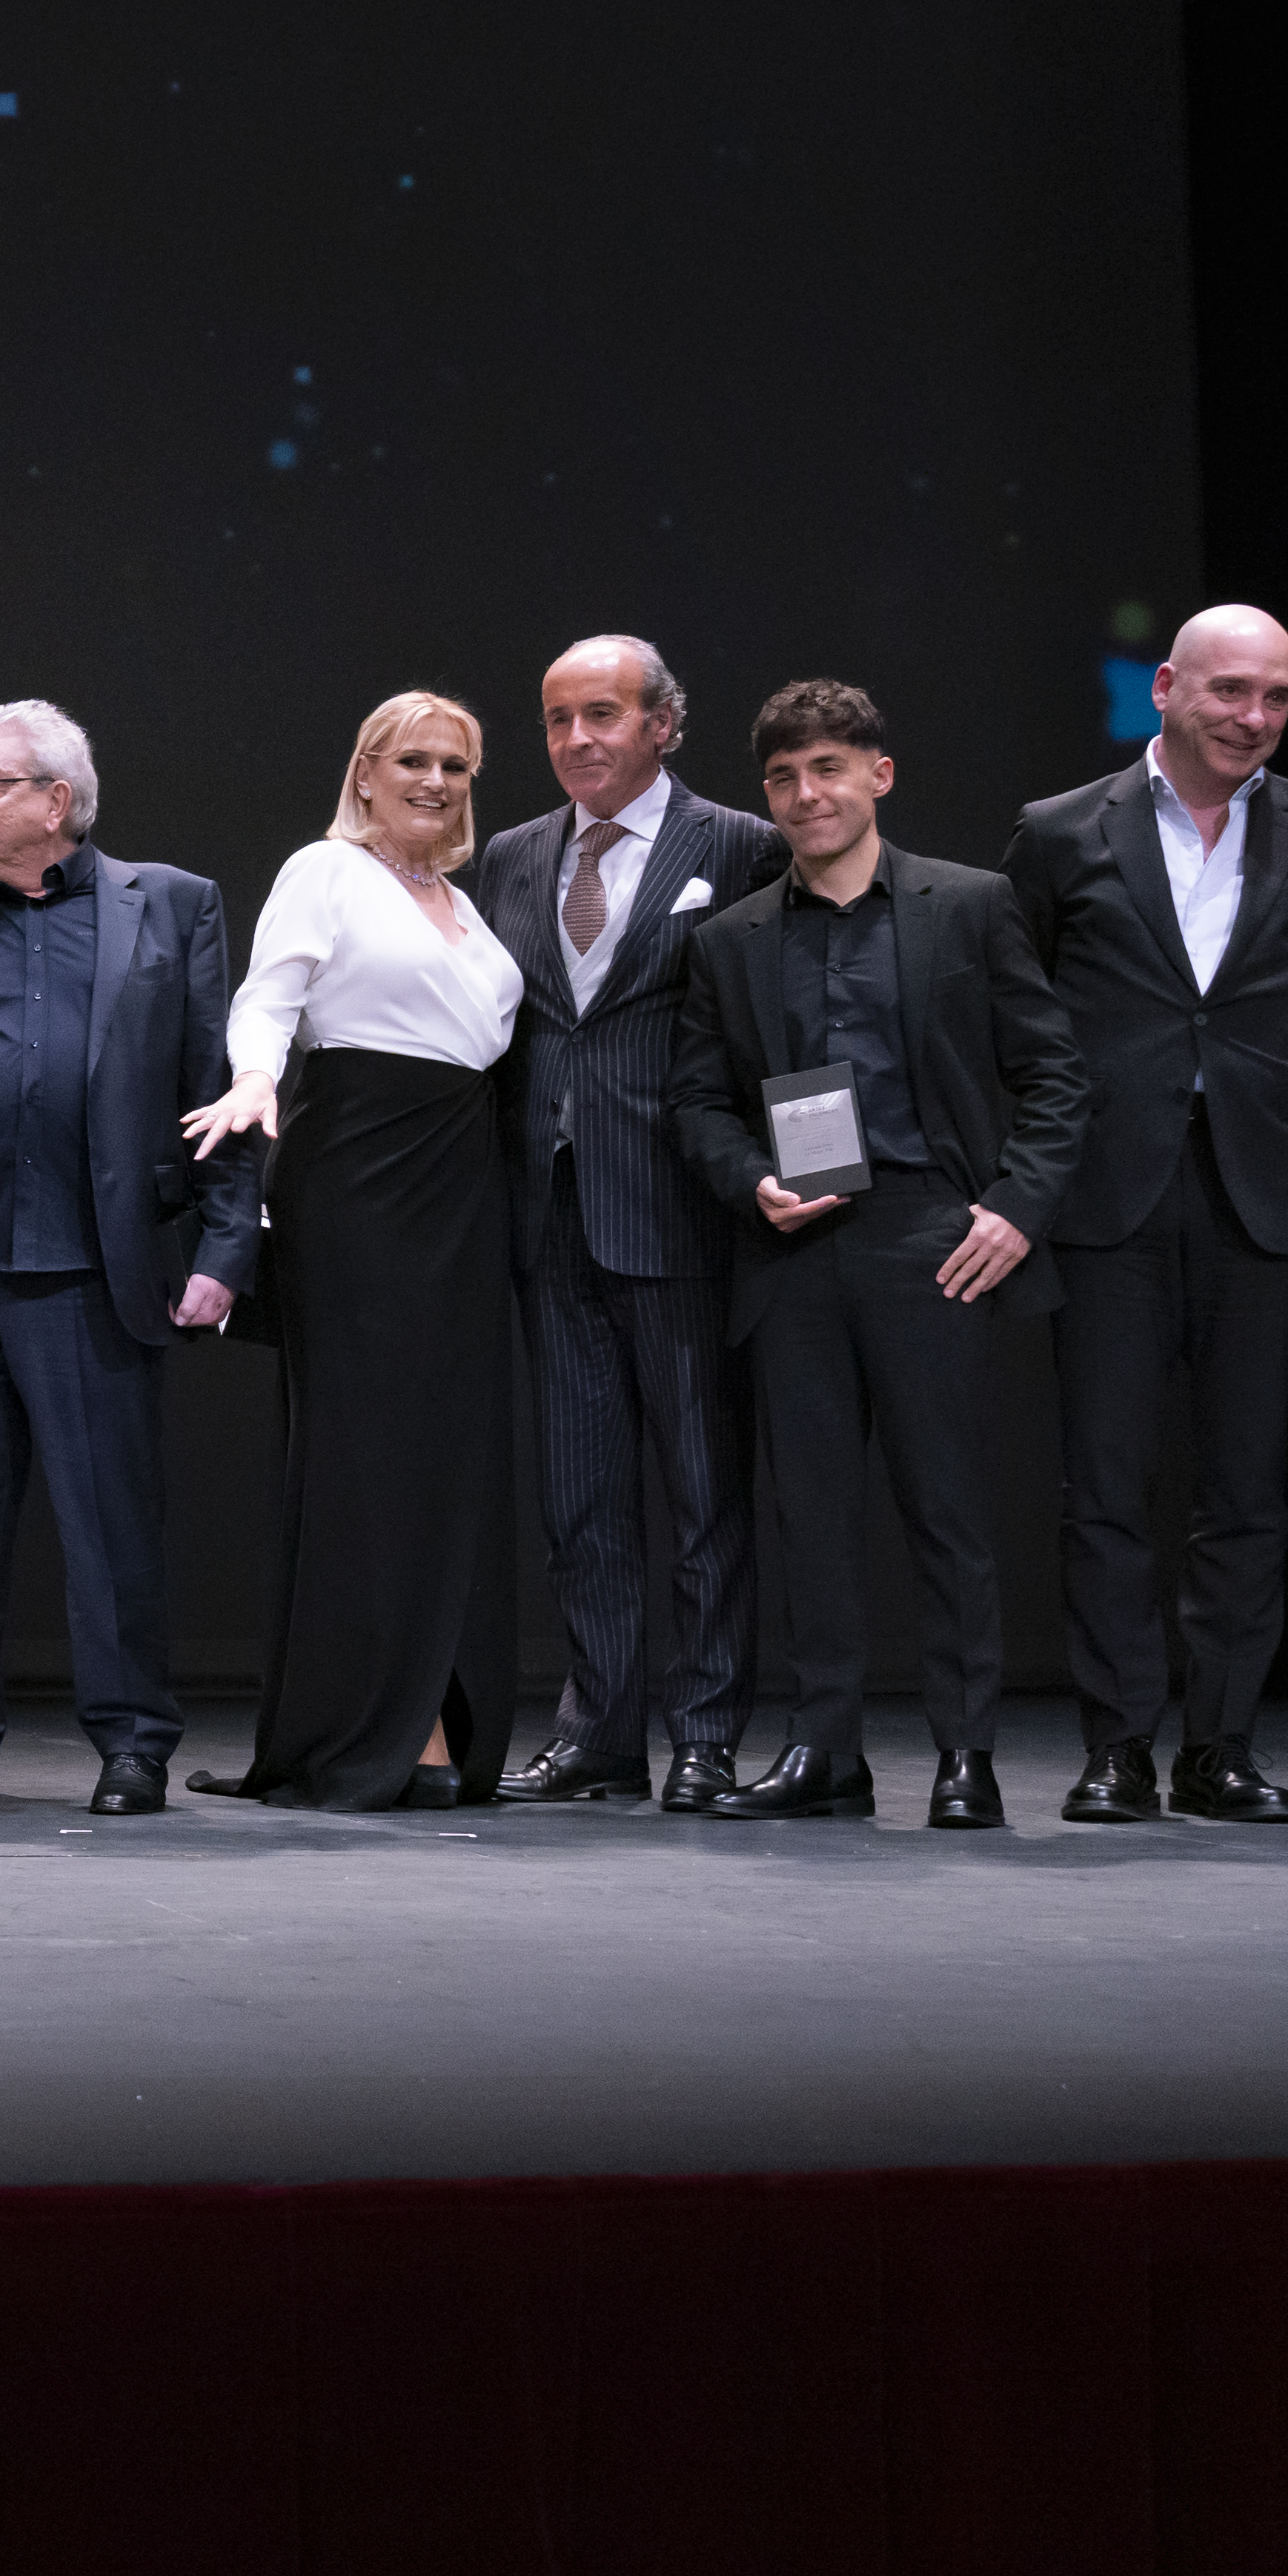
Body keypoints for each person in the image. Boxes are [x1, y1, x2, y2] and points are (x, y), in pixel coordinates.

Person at [664, 681, 1089, 1827]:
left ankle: (966, 1757)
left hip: (929, 1235)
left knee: (946, 1507)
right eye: (785, 777)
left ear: (878, 775)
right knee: (809, 1514)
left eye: (829, 769)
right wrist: (750, 1181)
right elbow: (696, 1101)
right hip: (794, 1243)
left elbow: (1055, 1074)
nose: (807, 794)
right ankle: (825, 1751)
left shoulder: (972, 904)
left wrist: (1015, 1207)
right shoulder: (731, 940)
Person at [1004, 603, 1288, 1824]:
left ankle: (1220, 1748)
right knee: (1106, 1486)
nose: (1252, 717)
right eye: (1229, 690)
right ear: (1165, 687)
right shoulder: (1061, 830)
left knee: (1246, 1490)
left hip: (1266, 1194)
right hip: (1110, 1191)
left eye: (1275, 696)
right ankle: (1117, 1745)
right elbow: (1020, 1010)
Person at [0, 703, 255, 1815]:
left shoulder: (169, 904)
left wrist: (225, 1243)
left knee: (108, 1525)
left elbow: (214, 1079)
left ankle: (132, 1743)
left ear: (55, 802)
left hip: (90, 1266)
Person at [178, 695, 536, 1810]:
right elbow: (267, 999)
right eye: (412, 760)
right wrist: (253, 1080)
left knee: (448, 1459)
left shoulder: (466, 907)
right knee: (367, 1459)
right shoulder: (325, 872)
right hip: (359, 1184)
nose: (435, 781)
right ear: (365, 773)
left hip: (463, 1186)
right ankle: (386, 1732)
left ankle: (441, 1714)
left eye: (455, 765)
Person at [469, 640, 783, 1812]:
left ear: (663, 724)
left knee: (704, 1495)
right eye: (557, 719)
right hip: (549, 1215)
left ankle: (703, 1734)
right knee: (582, 1498)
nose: (576, 739)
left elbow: (788, 1017)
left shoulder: (739, 846)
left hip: (686, 1211)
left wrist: (803, 1170)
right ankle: (599, 1733)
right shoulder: (512, 856)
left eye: (601, 714)